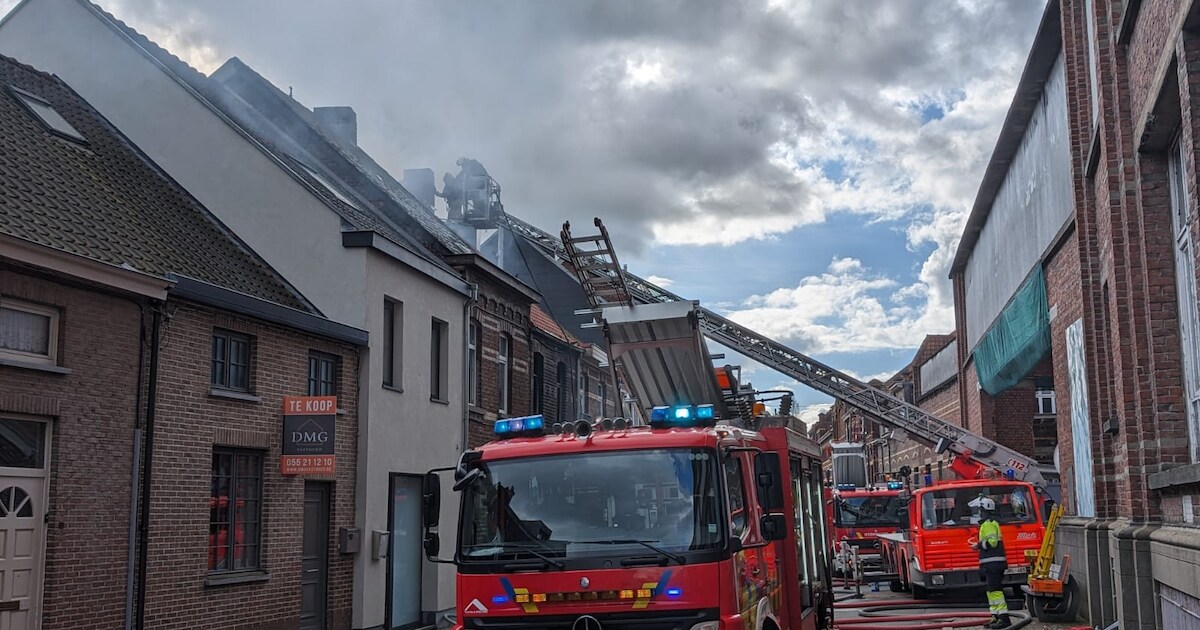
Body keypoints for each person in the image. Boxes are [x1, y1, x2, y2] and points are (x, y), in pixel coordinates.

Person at [969, 495, 1009, 628]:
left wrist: (978, 545)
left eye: (980, 510)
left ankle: (1004, 619)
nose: (979, 513)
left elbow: (992, 542)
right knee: (990, 590)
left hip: (993, 564)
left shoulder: (990, 524)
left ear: (984, 510)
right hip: (990, 564)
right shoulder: (989, 523)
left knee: (995, 590)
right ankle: (996, 616)